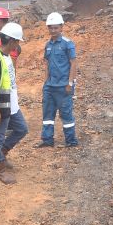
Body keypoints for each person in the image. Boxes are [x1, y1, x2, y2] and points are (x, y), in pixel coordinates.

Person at [0, 22, 28, 184]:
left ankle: (1, 154)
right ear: (11, 41)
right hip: (1, 106)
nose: (18, 45)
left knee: (22, 129)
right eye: (17, 41)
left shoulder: (6, 56)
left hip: (11, 103)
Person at [35, 12, 79, 148]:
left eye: (55, 28)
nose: (53, 30)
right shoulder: (48, 45)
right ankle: (47, 140)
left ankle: (71, 141)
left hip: (63, 86)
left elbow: (73, 64)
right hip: (50, 86)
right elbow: (47, 64)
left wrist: (70, 83)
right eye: (50, 28)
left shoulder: (68, 44)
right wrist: (45, 82)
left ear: (61, 27)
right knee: (48, 114)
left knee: (66, 115)